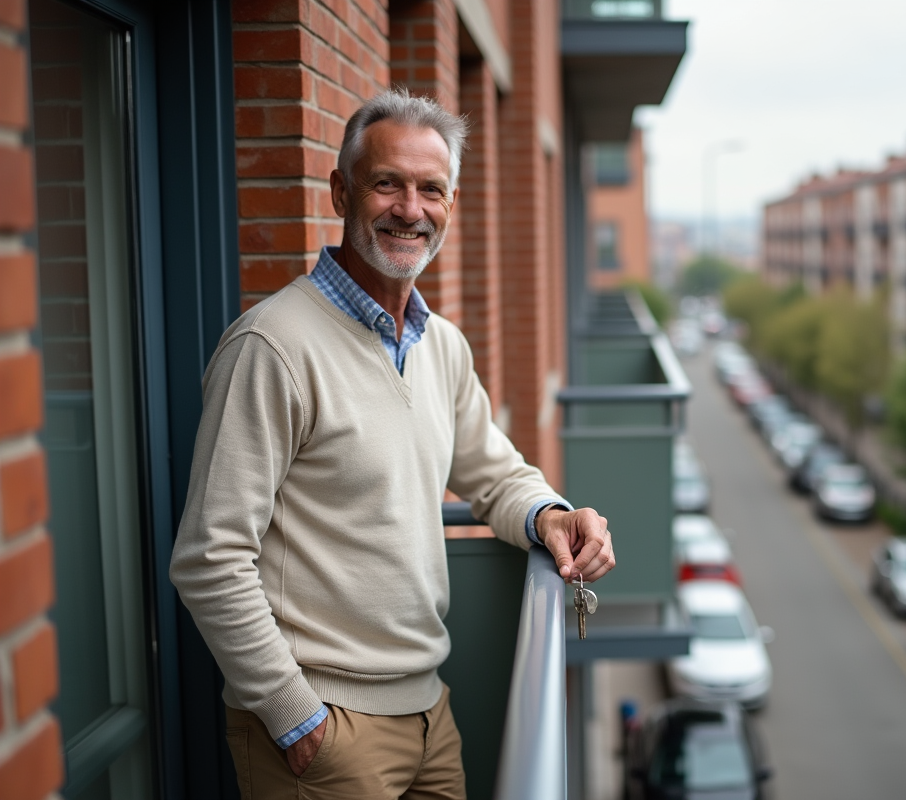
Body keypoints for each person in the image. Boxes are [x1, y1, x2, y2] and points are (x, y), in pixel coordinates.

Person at [170, 89, 615, 799]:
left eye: (430, 189)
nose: (411, 208)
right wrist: (292, 712)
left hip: (430, 714)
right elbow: (209, 556)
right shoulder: (271, 346)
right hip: (323, 733)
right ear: (341, 191)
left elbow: (495, 475)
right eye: (387, 184)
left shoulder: (442, 346)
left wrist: (552, 517)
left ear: (451, 203)